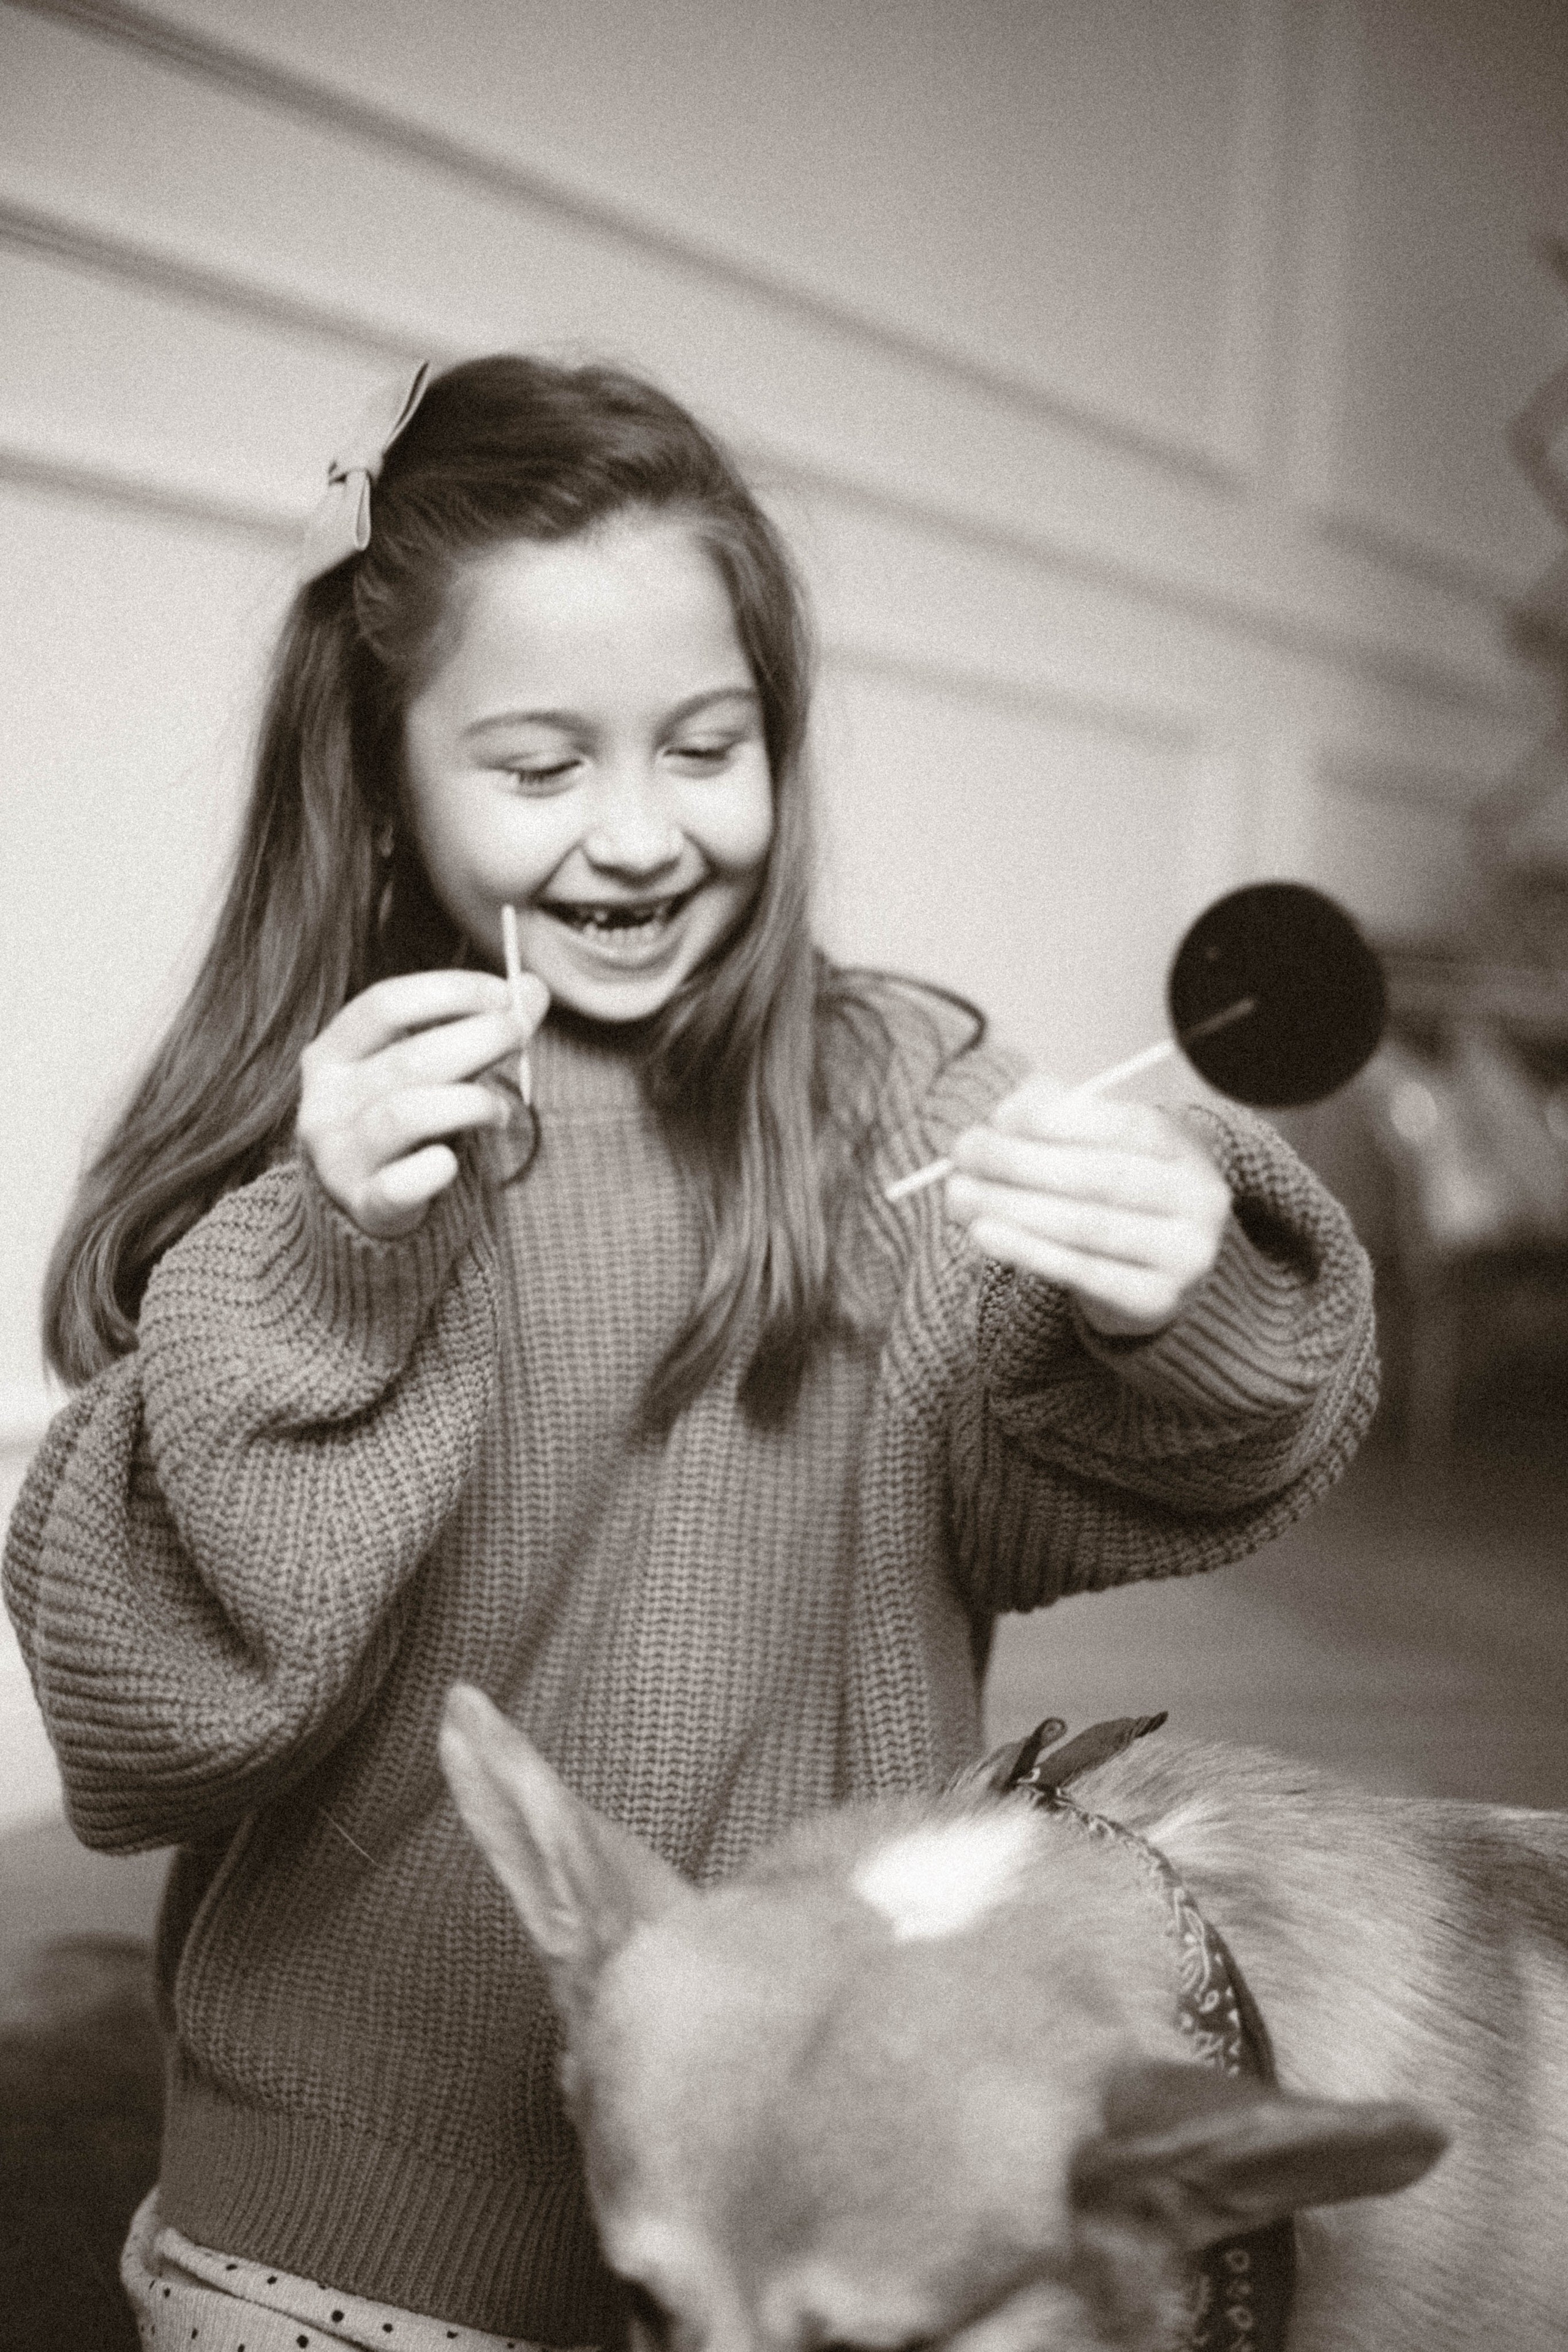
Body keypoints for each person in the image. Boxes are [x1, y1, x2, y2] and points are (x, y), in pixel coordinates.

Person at [4, 354, 1378, 2352]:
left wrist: (1182, 1298)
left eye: (707, 747)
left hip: (806, 2186)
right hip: (343, 2225)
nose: (639, 837)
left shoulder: (907, 1102)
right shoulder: (295, 1146)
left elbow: (1101, 1465)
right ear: (382, 769)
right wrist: (321, 1267)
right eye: (541, 766)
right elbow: (145, 1723)